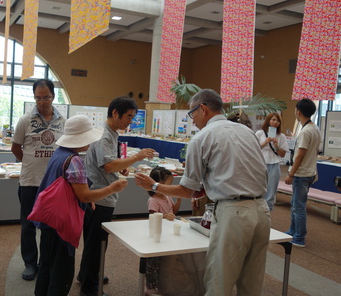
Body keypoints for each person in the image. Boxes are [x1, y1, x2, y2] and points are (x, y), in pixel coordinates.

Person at [135, 89, 270, 296]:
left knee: (219, 281)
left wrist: (154, 186)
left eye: (192, 114)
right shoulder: (247, 133)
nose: (192, 120)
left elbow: (187, 191)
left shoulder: (202, 138)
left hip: (233, 214)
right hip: (262, 210)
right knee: (252, 283)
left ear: (203, 109)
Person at [34, 115, 128, 296]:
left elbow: (68, 187)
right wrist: (112, 188)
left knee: (46, 268)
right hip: (62, 224)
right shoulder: (75, 160)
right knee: (61, 274)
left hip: (48, 221)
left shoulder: (59, 153)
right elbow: (84, 196)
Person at [77, 96, 155, 296]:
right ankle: (90, 286)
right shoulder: (105, 136)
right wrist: (136, 157)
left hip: (101, 194)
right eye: (129, 116)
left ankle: (87, 274)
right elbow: (108, 165)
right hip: (101, 197)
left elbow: (109, 164)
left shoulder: (110, 134)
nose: (131, 121)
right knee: (97, 243)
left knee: (95, 240)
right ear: (115, 113)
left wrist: (123, 167)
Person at [11, 79, 66, 281]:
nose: (42, 102)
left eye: (46, 97)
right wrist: (29, 163)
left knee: (50, 226)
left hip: (53, 183)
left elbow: (66, 149)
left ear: (53, 96)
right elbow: (16, 147)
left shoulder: (63, 122)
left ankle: (46, 263)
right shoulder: (25, 120)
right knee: (28, 225)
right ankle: (30, 264)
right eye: (38, 98)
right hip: (29, 182)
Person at [284, 98, 321, 247]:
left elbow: (300, 155)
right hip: (309, 171)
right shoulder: (314, 128)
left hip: (302, 174)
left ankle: (299, 237)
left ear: (298, 112)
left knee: (298, 206)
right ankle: (293, 231)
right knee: (295, 204)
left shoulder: (306, 131)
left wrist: (291, 173)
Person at [145, 166, 180, 296]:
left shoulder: (167, 196)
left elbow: (174, 211)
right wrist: (165, 216)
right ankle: (150, 287)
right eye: (168, 184)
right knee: (154, 262)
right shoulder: (153, 200)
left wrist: (178, 199)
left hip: (168, 232)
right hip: (158, 233)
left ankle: (161, 284)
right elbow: (153, 217)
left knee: (165, 261)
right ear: (157, 184)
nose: (170, 187)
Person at [256, 113, 289, 211]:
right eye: (273, 120)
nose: (275, 122)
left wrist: (276, 146)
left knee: (270, 193)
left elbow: (282, 154)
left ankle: (267, 214)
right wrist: (265, 143)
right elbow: (253, 150)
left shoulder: (281, 136)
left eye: (277, 121)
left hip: (274, 165)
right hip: (260, 164)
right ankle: (257, 213)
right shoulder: (259, 133)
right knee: (258, 190)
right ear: (268, 120)